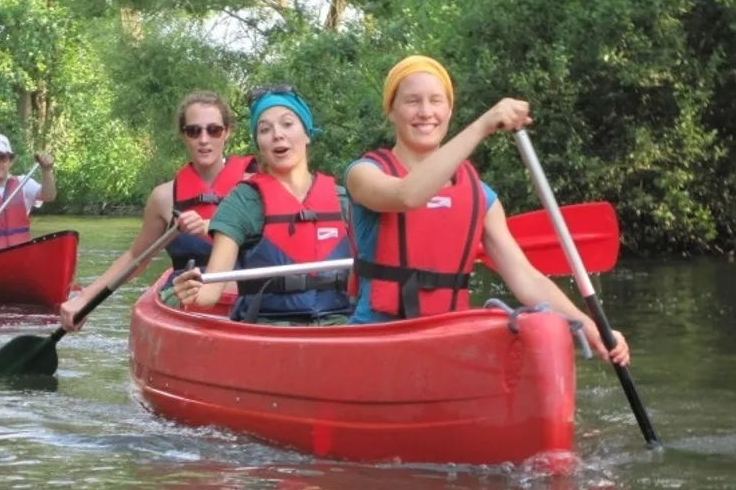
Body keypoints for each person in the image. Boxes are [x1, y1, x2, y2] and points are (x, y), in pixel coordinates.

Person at [344, 55, 629, 365]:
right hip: (377, 340)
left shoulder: (482, 196)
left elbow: (525, 278)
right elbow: (408, 196)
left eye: (436, 101)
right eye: (412, 101)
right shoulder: (363, 174)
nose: (425, 112)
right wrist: (483, 125)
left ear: (449, 110)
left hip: (449, 338)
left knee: (538, 333)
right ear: (391, 111)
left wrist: (587, 324)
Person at [59, 91, 257, 331]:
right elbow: (136, 258)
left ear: (227, 132)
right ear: (183, 135)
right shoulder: (164, 197)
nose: (204, 139)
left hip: (246, 302)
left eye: (213, 130)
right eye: (193, 131)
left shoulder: (256, 187)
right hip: (187, 305)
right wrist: (85, 298)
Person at [171, 86, 352, 326]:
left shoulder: (343, 200)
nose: (277, 134)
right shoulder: (242, 203)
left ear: (307, 133)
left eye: (287, 124)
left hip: (340, 324)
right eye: (265, 129)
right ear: (259, 143)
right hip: (269, 328)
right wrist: (190, 291)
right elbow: (209, 295)